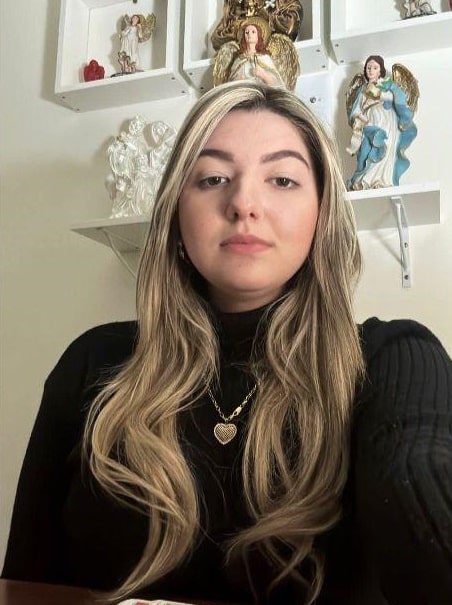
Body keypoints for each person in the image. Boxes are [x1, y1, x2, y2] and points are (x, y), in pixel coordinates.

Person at [2, 82, 452, 605]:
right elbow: (26, 584)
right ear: (176, 213)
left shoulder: (393, 357)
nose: (243, 203)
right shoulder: (92, 363)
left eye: (282, 179)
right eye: (213, 178)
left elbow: (422, 491)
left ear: (322, 214)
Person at [346, 55, 418, 191]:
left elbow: (397, 98)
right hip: (369, 121)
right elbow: (355, 110)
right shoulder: (362, 90)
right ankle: (363, 181)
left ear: (380, 70)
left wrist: (380, 95)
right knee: (366, 149)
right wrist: (363, 119)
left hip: (386, 119)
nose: (371, 70)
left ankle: (381, 180)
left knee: (385, 145)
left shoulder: (388, 84)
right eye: (368, 67)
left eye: (375, 68)